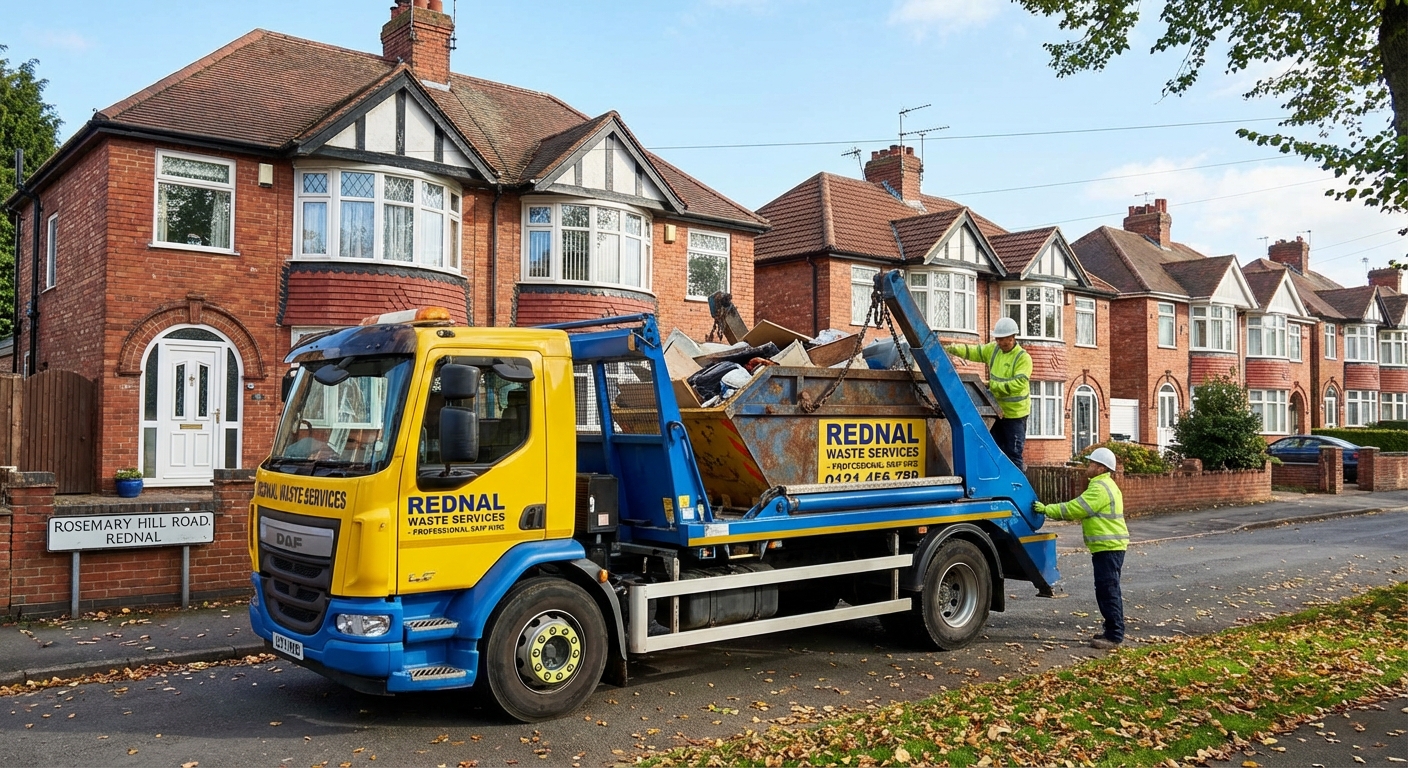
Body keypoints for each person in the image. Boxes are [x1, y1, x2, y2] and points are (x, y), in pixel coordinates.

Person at [1035, 446, 1128, 650]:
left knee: (1108, 591)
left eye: (1092, 463)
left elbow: (1075, 509)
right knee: (1106, 590)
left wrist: (1046, 509)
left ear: (1102, 468)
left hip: (1108, 547)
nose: (1089, 466)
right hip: (1108, 547)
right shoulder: (1104, 485)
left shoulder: (1100, 488)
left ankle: (1114, 636)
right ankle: (1111, 630)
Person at [944, 316, 1031, 468]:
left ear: (1013, 337)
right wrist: (950, 348)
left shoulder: (1023, 358)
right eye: (998, 339)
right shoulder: (993, 349)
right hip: (996, 412)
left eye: (1003, 339)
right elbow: (973, 351)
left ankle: (1017, 489)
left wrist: (991, 385)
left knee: (1013, 453)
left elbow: (1018, 384)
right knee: (994, 451)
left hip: (1015, 415)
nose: (1000, 343)